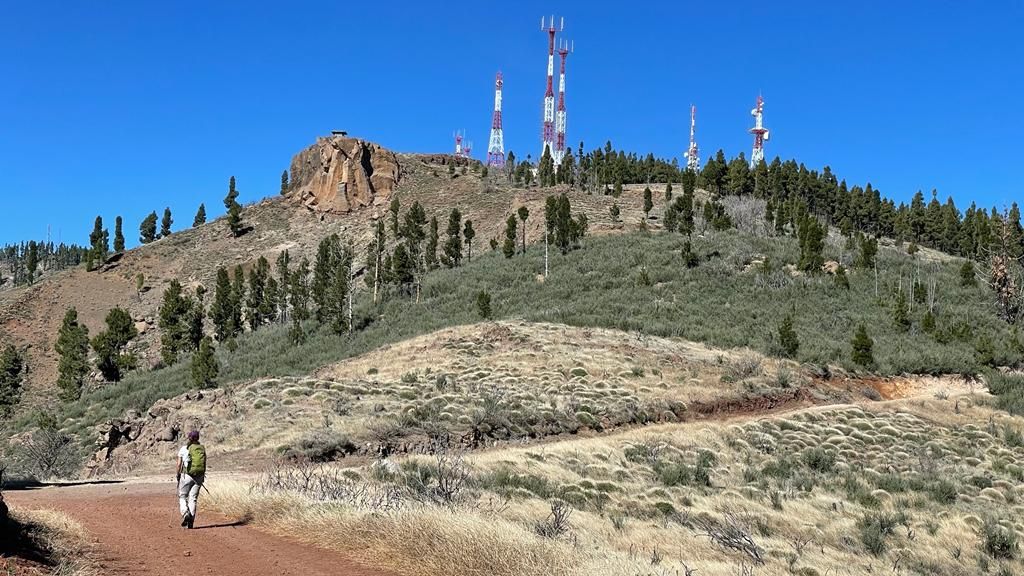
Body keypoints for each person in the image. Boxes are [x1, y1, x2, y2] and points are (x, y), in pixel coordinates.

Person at [176, 429, 207, 529]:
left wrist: (178, 475)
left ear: (189, 438)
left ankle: (185, 514)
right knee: (193, 499)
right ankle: (191, 523)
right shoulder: (201, 449)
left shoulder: (184, 449)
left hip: (187, 476)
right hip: (199, 476)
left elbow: (179, 464)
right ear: (198, 438)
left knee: (182, 496)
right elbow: (204, 463)